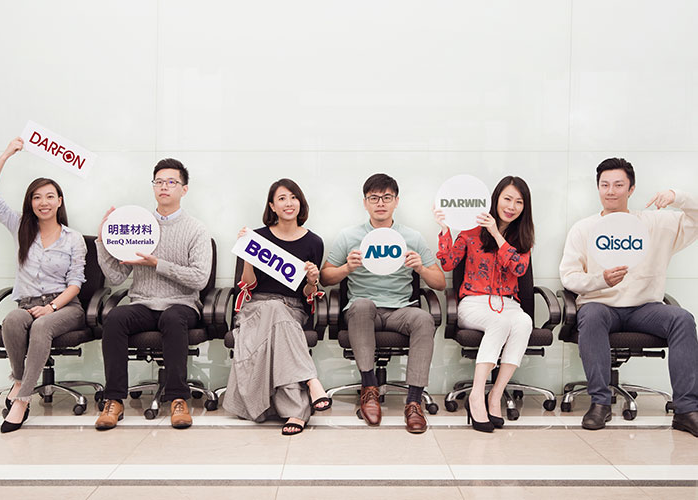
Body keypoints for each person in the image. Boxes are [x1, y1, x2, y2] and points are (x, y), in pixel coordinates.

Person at [559, 158, 698, 436]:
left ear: (631, 189)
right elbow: (569, 277)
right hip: (601, 305)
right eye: (605, 185)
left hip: (644, 308)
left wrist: (677, 196)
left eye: (618, 185)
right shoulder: (583, 228)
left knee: (682, 319)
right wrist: (601, 280)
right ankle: (600, 403)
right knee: (591, 314)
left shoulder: (656, 223)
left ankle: (686, 410)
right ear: (598, 188)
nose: (611, 191)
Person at [320, 173, 445, 434]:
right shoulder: (349, 236)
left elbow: (440, 283)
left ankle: (414, 402)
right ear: (365, 202)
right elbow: (325, 277)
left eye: (387, 197)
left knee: (424, 318)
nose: (380, 203)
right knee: (362, 305)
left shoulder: (412, 237)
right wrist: (346, 268)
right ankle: (369, 388)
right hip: (364, 312)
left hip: (401, 310)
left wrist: (421, 268)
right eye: (374, 198)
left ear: (396, 201)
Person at [0, 137, 86, 433]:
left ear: (60, 201)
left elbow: (76, 283)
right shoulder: (20, 227)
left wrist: (51, 307)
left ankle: (22, 400)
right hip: (26, 305)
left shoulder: (73, 238)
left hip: (65, 306)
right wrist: (6, 154)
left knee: (41, 326)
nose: (43, 203)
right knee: (12, 319)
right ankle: (18, 379)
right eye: (37, 197)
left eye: (50, 197)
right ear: (30, 203)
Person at [94, 158, 212, 430]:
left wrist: (157, 264)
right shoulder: (139, 225)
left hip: (182, 304)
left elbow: (199, 278)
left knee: (172, 318)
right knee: (115, 318)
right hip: (143, 303)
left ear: (184, 189)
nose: (164, 187)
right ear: (153, 187)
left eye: (171, 182)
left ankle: (178, 399)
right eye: (159, 182)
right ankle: (114, 400)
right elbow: (117, 277)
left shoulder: (196, 229)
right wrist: (102, 241)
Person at [223, 179, 329, 436]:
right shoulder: (258, 237)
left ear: (300, 202)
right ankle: (309, 386)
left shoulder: (314, 242)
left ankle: (300, 400)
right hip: (256, 308)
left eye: (293, 197)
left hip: (292, 309)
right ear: (272, 205)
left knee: (279, 314)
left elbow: (307, 295)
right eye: (282, 198)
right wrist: (247, 255)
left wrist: (312, 280)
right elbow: (248, 285)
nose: (288, 203)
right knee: (273, 308)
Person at [435, 176, 534, 433]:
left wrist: (497, 235)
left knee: (524, 322)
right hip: (474, 303)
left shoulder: (523, 238)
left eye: (519, 202)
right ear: (495, 199)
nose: (511, 206)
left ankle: (495, 395)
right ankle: (476, 396)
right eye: (507, 199)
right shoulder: (470, 231)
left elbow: (519, 268)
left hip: (508, 303)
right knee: (499, 323)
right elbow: (447, 263)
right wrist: (445, 230)